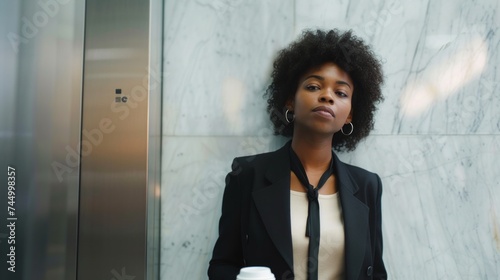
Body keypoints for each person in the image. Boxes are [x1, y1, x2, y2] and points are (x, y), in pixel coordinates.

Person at [208, 29, 387, 280]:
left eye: (341, 93)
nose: (327, 96)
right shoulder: (246, 175)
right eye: (314, 86)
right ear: (290, 100)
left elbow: (376, 273)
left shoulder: (367, 186)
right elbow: (223, 265)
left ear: (350, 115)